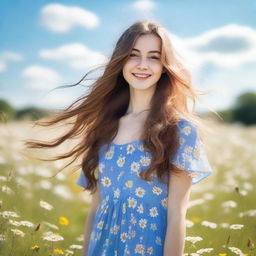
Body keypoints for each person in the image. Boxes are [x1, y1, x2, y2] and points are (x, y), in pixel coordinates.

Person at [26, 20, 213, 256]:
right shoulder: (104, 129)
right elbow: (96, 209)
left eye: (154, 57)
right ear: (121, 60)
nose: (143, 65)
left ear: (165, 66)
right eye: (134, 55)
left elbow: (177, 214)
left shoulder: (179, 130)